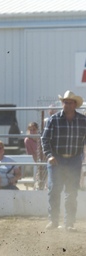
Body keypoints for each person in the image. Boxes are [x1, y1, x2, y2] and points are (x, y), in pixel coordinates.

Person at [41, 90, 86, 232]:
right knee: (54, 190)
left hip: (74, 159)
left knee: (71, 192)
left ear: (75, 105)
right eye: (65, 102)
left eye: (69, 102)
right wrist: (49, 155)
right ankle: (53, 221)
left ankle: (69, 223)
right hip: (57, 159)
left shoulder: (83, 120)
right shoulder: (53, 119)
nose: (67, 105)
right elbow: (44, 139)